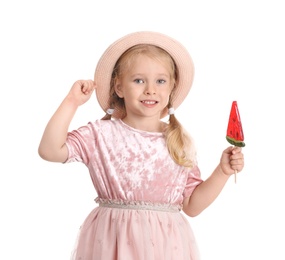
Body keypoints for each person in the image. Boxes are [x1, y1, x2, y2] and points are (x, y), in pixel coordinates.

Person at [38, 31, 244, 260]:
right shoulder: (101, 134)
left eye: (160, 81)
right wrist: (72, 102)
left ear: (171, 87)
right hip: (111, 243)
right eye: (138, 80)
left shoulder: (179, 141)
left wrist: (222, 172)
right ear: (118, 87)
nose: (150, 89)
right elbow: (49, 150)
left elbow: (192, 206)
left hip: (167, 248)